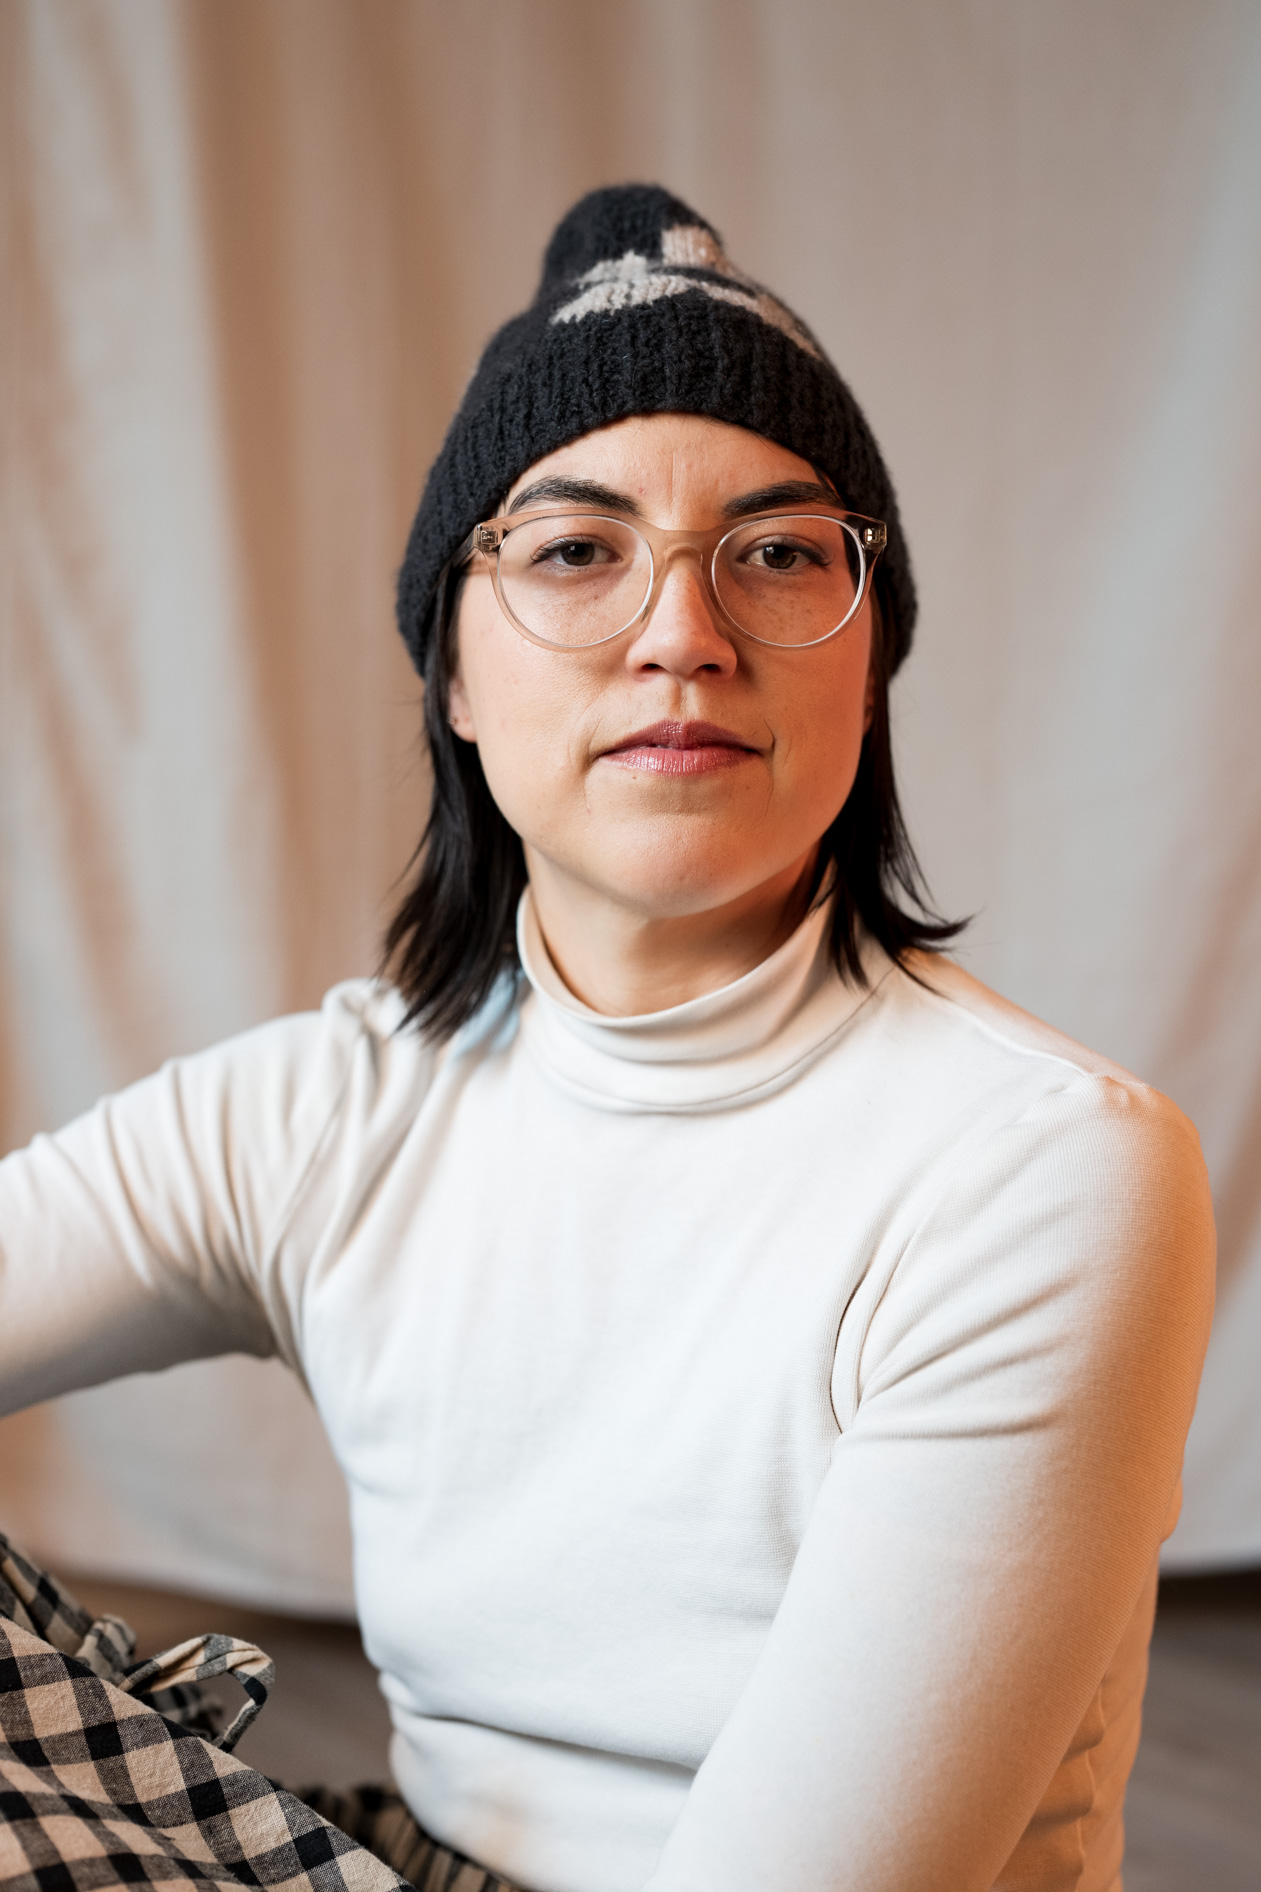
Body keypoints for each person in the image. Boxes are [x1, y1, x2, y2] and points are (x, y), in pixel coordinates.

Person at [0, 185, 1215, 1892]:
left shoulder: (1044, 1169)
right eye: (575, 551)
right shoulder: (330, 1109)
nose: (681, 636)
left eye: (777, 554)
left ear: (867, 665)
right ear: (453, 676)